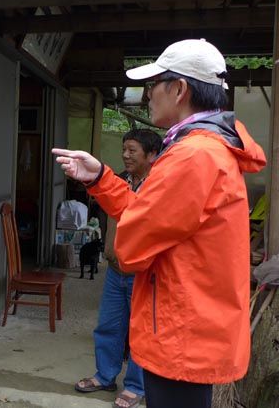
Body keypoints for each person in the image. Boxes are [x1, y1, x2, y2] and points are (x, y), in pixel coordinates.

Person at [54, 39, 266, 408]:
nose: (148, 94)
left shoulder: (193, 156)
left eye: (155, 84)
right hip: (190, 328)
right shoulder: (204, 149)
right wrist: (100, 177)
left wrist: (127, 232)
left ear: (179, 89)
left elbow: (131, 246)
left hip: (181, 332)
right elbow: (149, 214)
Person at [75, 128, 162, 408]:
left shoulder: (160, 185)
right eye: (124, 149)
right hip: (115, 269)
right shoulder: (120, 180)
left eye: (132, 150)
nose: (125, 155)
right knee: (108, 326)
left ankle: (136, 386)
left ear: (152, 154)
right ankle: (105, 376)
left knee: (140, 333)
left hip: (143, 273)